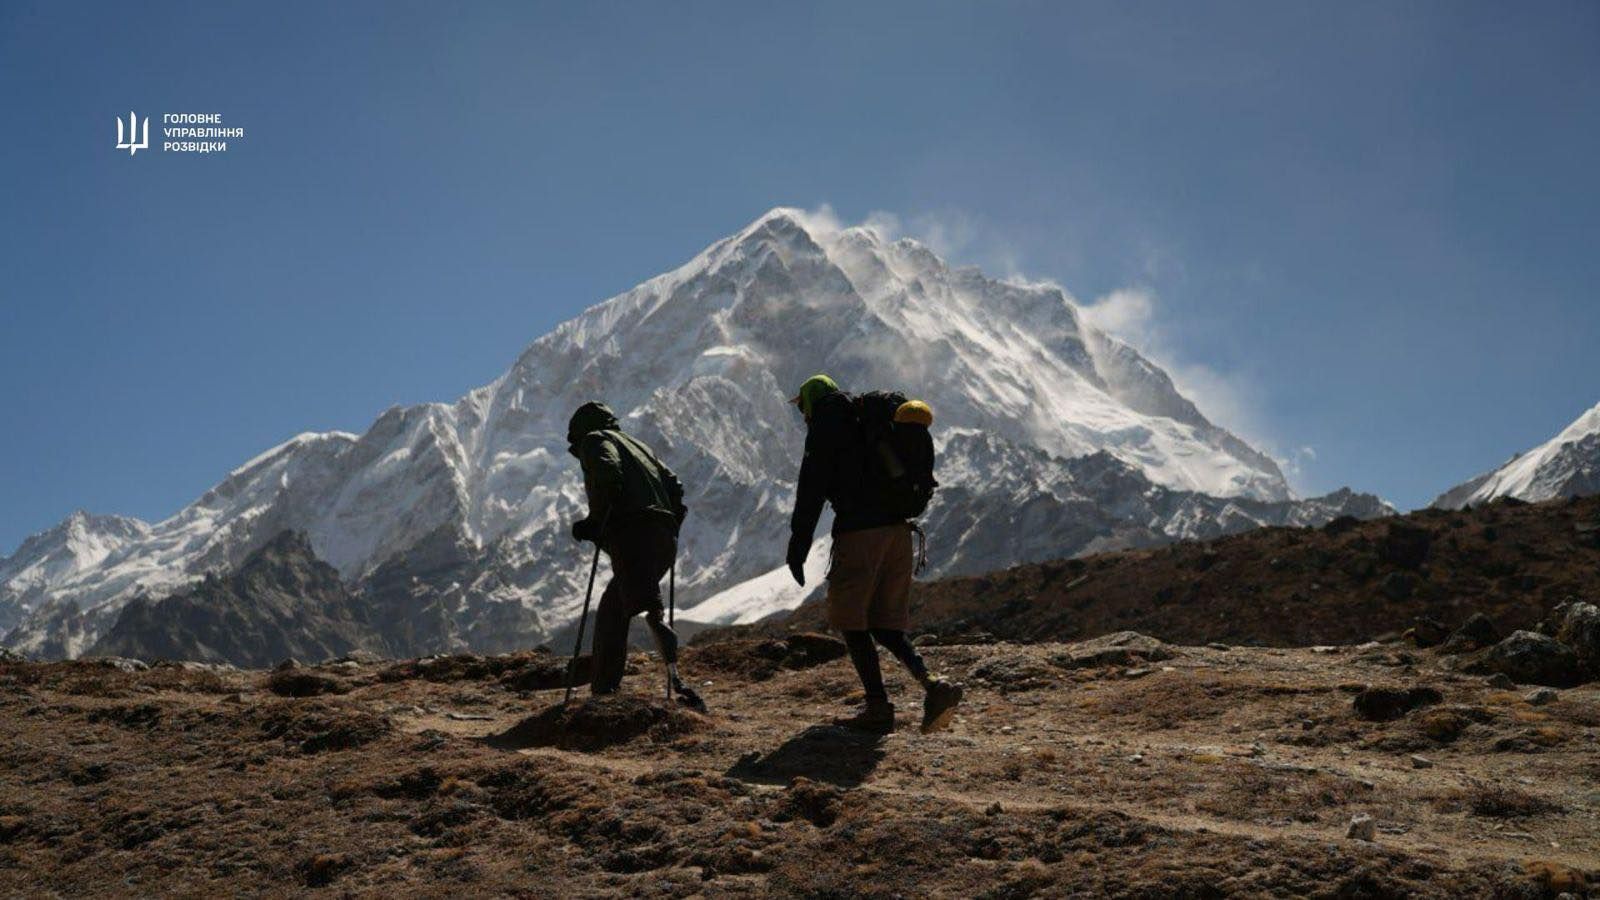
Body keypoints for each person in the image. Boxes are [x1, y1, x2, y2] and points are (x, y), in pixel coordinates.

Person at [786, 374, 962, 734]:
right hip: (899, 534)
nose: (803, 416)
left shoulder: (828, 425)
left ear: (811, 402)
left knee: (851, 621)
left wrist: (798, 547)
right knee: (884, 624)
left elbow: (811, 490)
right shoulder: (872, 423)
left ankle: (878, 707)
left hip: (860, 535)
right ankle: (934, 686)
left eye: (803, 407)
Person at [567, 402, 697, 703]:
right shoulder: (639, 446)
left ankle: (618, 689)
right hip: (663, 537)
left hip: (633, 534)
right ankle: (607, 686)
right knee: (619, 603)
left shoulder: (595, 439)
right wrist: (670, 523)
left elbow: (608, 475)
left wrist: (595, 522)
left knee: (638, 607)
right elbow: (676, 488)